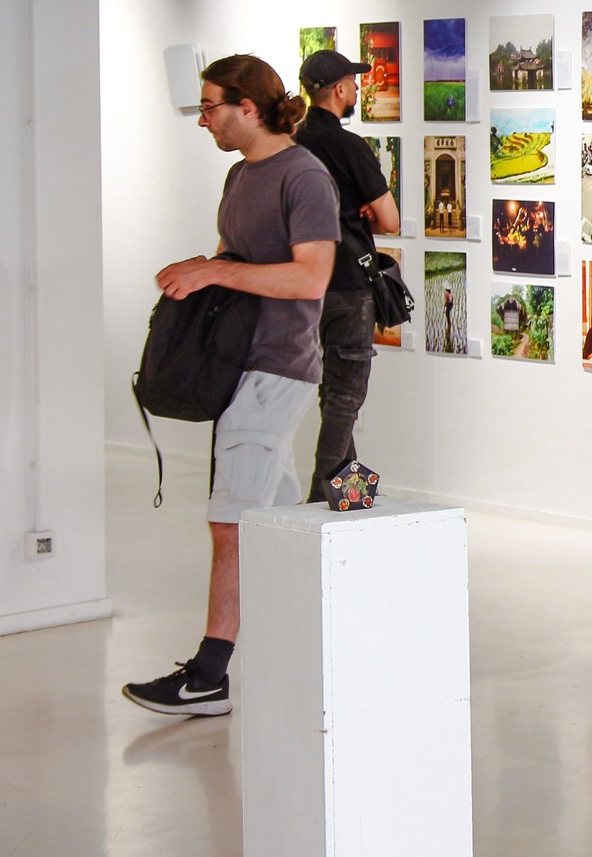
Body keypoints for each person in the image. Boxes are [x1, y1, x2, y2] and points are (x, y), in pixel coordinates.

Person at [122, 56, 339, 716]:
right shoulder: (240, 175)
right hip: (238, 364)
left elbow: (310, 278)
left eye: (209, 106)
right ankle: (310, 651)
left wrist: (214, 272)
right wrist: (204, 267)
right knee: (278, 519)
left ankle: (208, 676)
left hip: (278, 366)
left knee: (231, 522)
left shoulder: (305, 177)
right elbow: (235, 258)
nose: (203, 120)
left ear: (248, 106)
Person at [293, 49, 400, 502]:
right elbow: (389, 220)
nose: (356, 89)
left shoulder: (291, 144)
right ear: (338, 90)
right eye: (352, 83)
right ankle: (320, 500)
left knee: (333, 392)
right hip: (350, 284)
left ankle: (351, 495)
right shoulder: (349, 147)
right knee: (346, 397)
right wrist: (362, 211)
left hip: (304, 284)